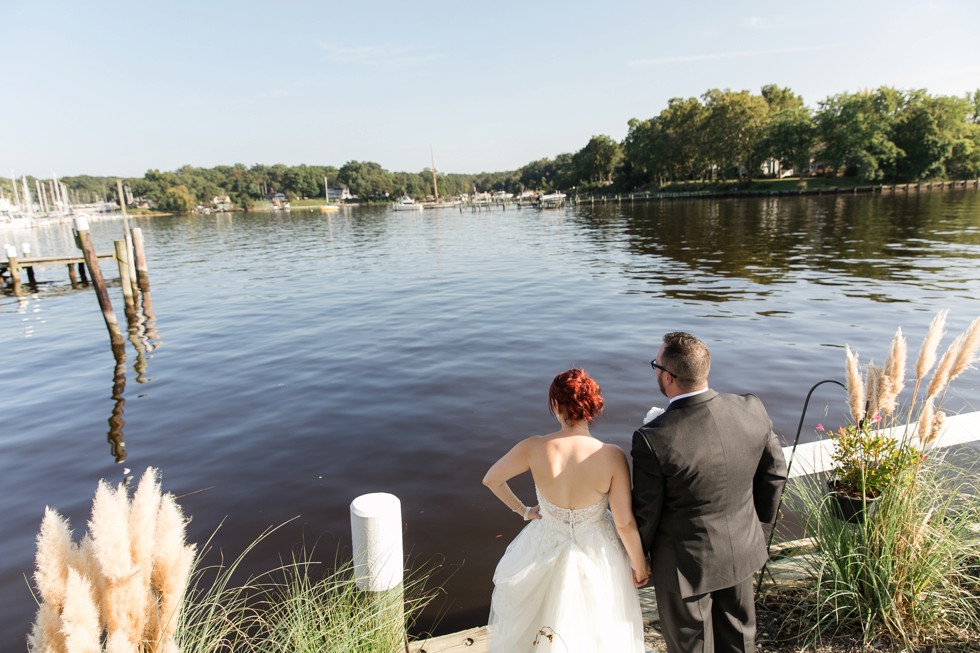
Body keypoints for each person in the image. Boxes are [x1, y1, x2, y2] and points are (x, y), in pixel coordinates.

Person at [632, 332, 787, 653]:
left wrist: (639, 557)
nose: (656, 371)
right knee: (740, 641)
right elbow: (775, 473)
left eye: (656, 365)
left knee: (691, 646)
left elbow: (647, 512)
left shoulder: (654, 438)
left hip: (685, 566)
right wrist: (757, 527)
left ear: (667, 376)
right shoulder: (750, 408)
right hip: (741, 549)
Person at [483, 368, 649, 653]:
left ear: (556, 406)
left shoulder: (534, 447)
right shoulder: (611, 456)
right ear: (593, 408)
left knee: (536, 622)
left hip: (544, 543)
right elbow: (624, 523)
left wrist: (524, 511)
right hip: (598, 550)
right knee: (601, 625)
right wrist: (639, 565)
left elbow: (492, 480)